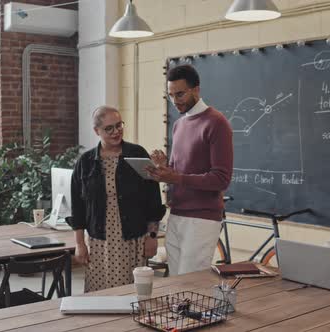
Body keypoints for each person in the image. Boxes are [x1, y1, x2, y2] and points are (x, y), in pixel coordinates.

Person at [147, 64, 233, 276]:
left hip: (202, 218)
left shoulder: (217, 122)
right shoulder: (178, 125)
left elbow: (221, 179)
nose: (175, 101)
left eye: (180, 94)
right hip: (176, 213)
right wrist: (163, 170)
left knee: (190, 283)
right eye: (170, 95)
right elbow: (179, 173)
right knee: (175, 281)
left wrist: (175, 176)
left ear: (197, 90)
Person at [70, 106, 166, 292]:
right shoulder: (86, 162)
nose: (116, 132)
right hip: (99, 242)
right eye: (109, 128)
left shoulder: (137, 154)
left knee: (130, 295)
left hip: (133, 240)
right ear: (96, 131)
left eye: (119, 125)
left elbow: (153, 200)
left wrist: (152, 237)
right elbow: (78, 206)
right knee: (98, 296)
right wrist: (80, 243)